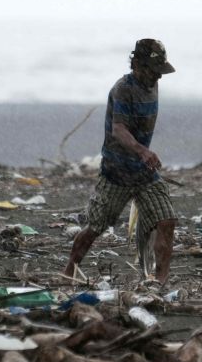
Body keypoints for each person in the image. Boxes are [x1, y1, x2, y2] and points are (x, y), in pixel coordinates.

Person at [64, 39, 178, 284]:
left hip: (143, 173)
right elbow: (118, 129)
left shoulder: (152, 83)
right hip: (117, 171)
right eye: (152, 70)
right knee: (95, 227)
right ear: (136, 64)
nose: (157, 77)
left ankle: (160, 281)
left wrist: (143, 157)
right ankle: (69, 271)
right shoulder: (123, 90)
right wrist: (142, 151)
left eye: (160, 72)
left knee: (167, 220)